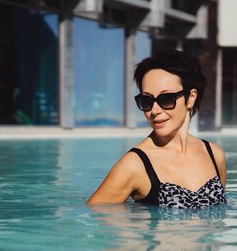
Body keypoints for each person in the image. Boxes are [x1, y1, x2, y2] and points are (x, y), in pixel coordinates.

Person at [87, 50, 227, 208]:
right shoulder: (134, 164)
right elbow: (94, 215)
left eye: (166, 99)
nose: (154, 110)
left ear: (191, 98)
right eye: (147, 101)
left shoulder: (215, 155)